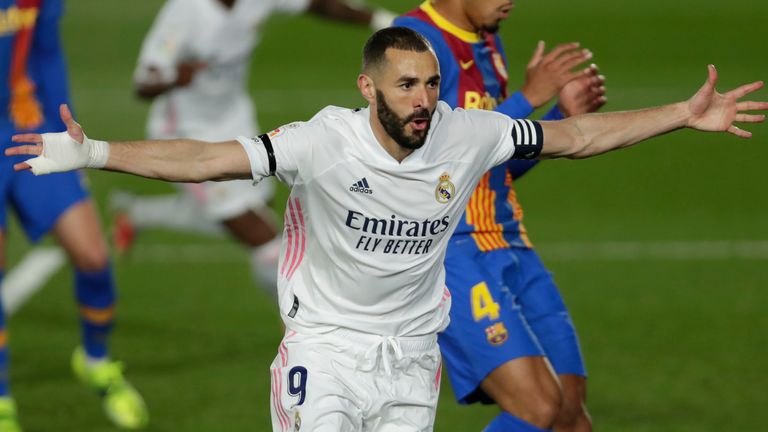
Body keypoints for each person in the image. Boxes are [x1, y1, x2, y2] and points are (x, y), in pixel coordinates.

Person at [7, 27, 766, 432]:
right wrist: (97, 153)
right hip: (326, 352)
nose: (423, 99)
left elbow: (578, 138)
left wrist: (682, 113)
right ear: (369, 88)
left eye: (432, 84)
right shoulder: (322, 141)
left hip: (410, 363)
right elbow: (207, 158)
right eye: (407, 85)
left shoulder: (468, 136)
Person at [394, 1, 603, 430]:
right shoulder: (414, 39)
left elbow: (495, 161)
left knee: (569, 418)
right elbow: (427, 157)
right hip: (453, 249)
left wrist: (561, 116)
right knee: (538, 407)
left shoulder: (488, 42)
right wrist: (527, 97)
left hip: (508, 239)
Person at [110, 0, 397, 293]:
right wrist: (175, 76)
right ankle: (296, 334)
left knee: (253, 212)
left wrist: (383, 20)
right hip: (185, 134)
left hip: (234, 121)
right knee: (267, 240)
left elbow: (318, 5)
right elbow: (143, 81)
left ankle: (137, 213)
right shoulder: (186, 11)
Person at [0, 0, 147, 430]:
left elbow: (46, 52)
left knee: (92, 255)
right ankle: (3, 399)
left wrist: (66, 132)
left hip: (22, 125)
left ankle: (95, 359)